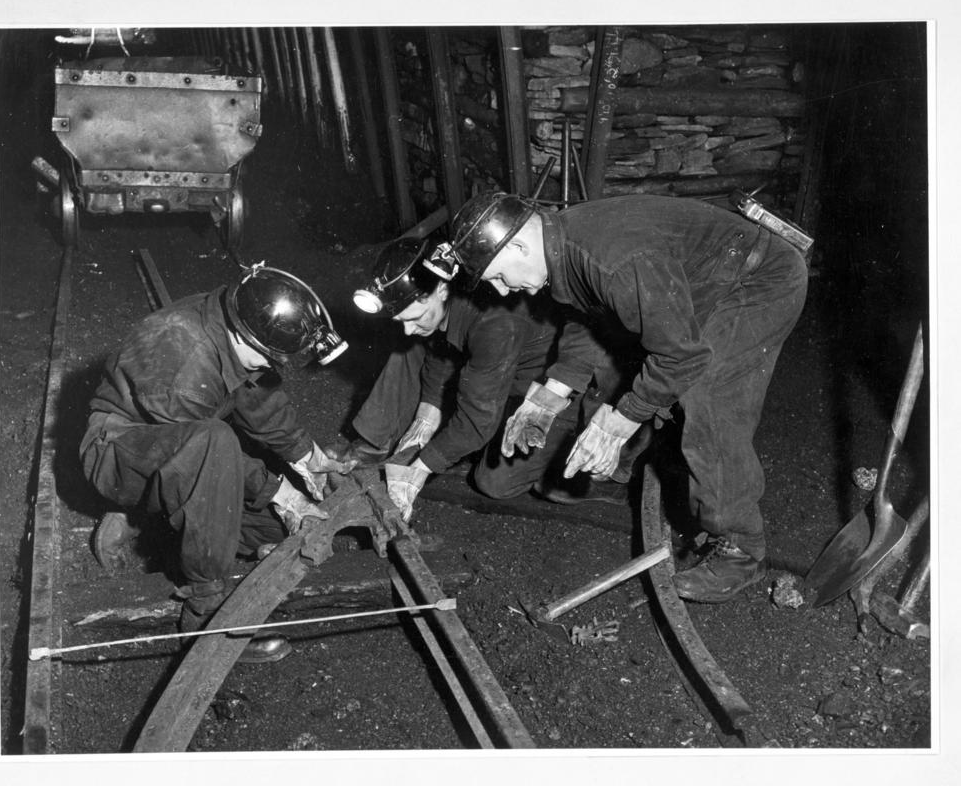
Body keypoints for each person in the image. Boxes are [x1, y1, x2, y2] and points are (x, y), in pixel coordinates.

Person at [439, 192, 808, 603]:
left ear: (519, 245)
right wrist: (552, 393)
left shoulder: (611, 258)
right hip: (707, 279)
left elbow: (680, 358)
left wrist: (620, 421)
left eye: (497, 276)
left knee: (708, 397)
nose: (503, 292)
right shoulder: (561, 245)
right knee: (639, 371)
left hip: (758, 280)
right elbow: (591, 318)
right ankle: (635, 466)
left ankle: (742, 550)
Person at [79, 263, 354, 662]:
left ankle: (158, 530)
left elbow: (255, 396)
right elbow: (206, 455)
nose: (270, 367)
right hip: (117, 453)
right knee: (218, 443)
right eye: (268, 359)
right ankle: (205, 617)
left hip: (177, 448)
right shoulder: (182, 358)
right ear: (244, 337)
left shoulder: (234, 321)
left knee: (272, 531)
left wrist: (308, 456)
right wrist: (281, 492)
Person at [340, 237, 632, 523]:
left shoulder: (494, 324)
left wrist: (417, 472)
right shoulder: (447, 289)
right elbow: (440, 352)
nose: (407, 329)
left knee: (495, 482)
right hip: (494, 370)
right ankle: (373, 444)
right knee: (409, 348)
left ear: (441, 290)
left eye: (415, 317)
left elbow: (477, 421)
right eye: (401, 320)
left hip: (556, 390)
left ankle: (606, 479)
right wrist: (425, 420)